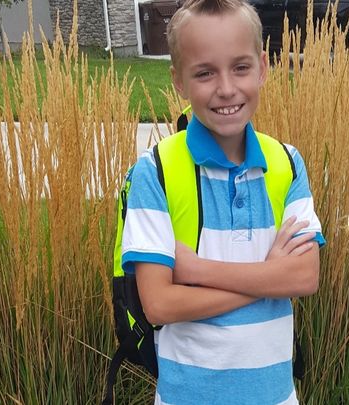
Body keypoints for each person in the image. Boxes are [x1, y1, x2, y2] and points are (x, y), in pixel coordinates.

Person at [120, 0, 325, 402]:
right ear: (179, 81)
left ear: (262, 68)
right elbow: (159, 304)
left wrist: (198, 269)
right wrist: (268, 279)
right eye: (205, 73)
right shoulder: (156, 171)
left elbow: (304, 277)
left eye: (240, 67)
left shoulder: (286, 163)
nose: (227, 88)